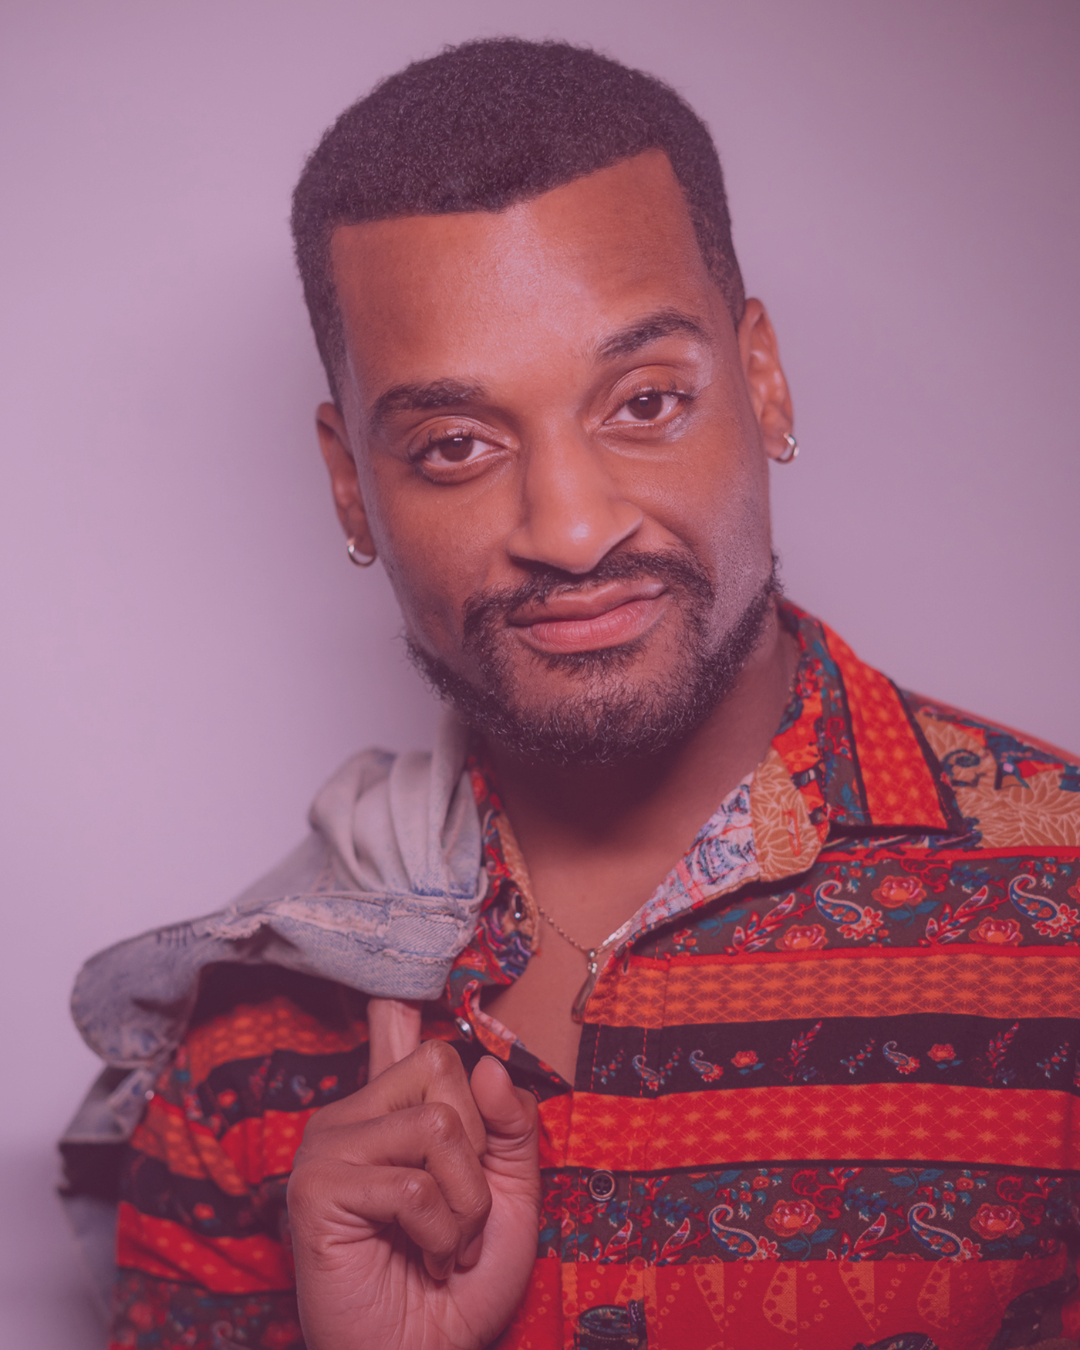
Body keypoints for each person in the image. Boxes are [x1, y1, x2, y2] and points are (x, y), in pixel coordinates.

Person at [62, 37, 1080, 1350]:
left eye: (645, 400)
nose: (572, 525)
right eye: (456, 444)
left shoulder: (1059, 919)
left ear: (760, 377)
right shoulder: (242, 1048)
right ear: (346, 482)